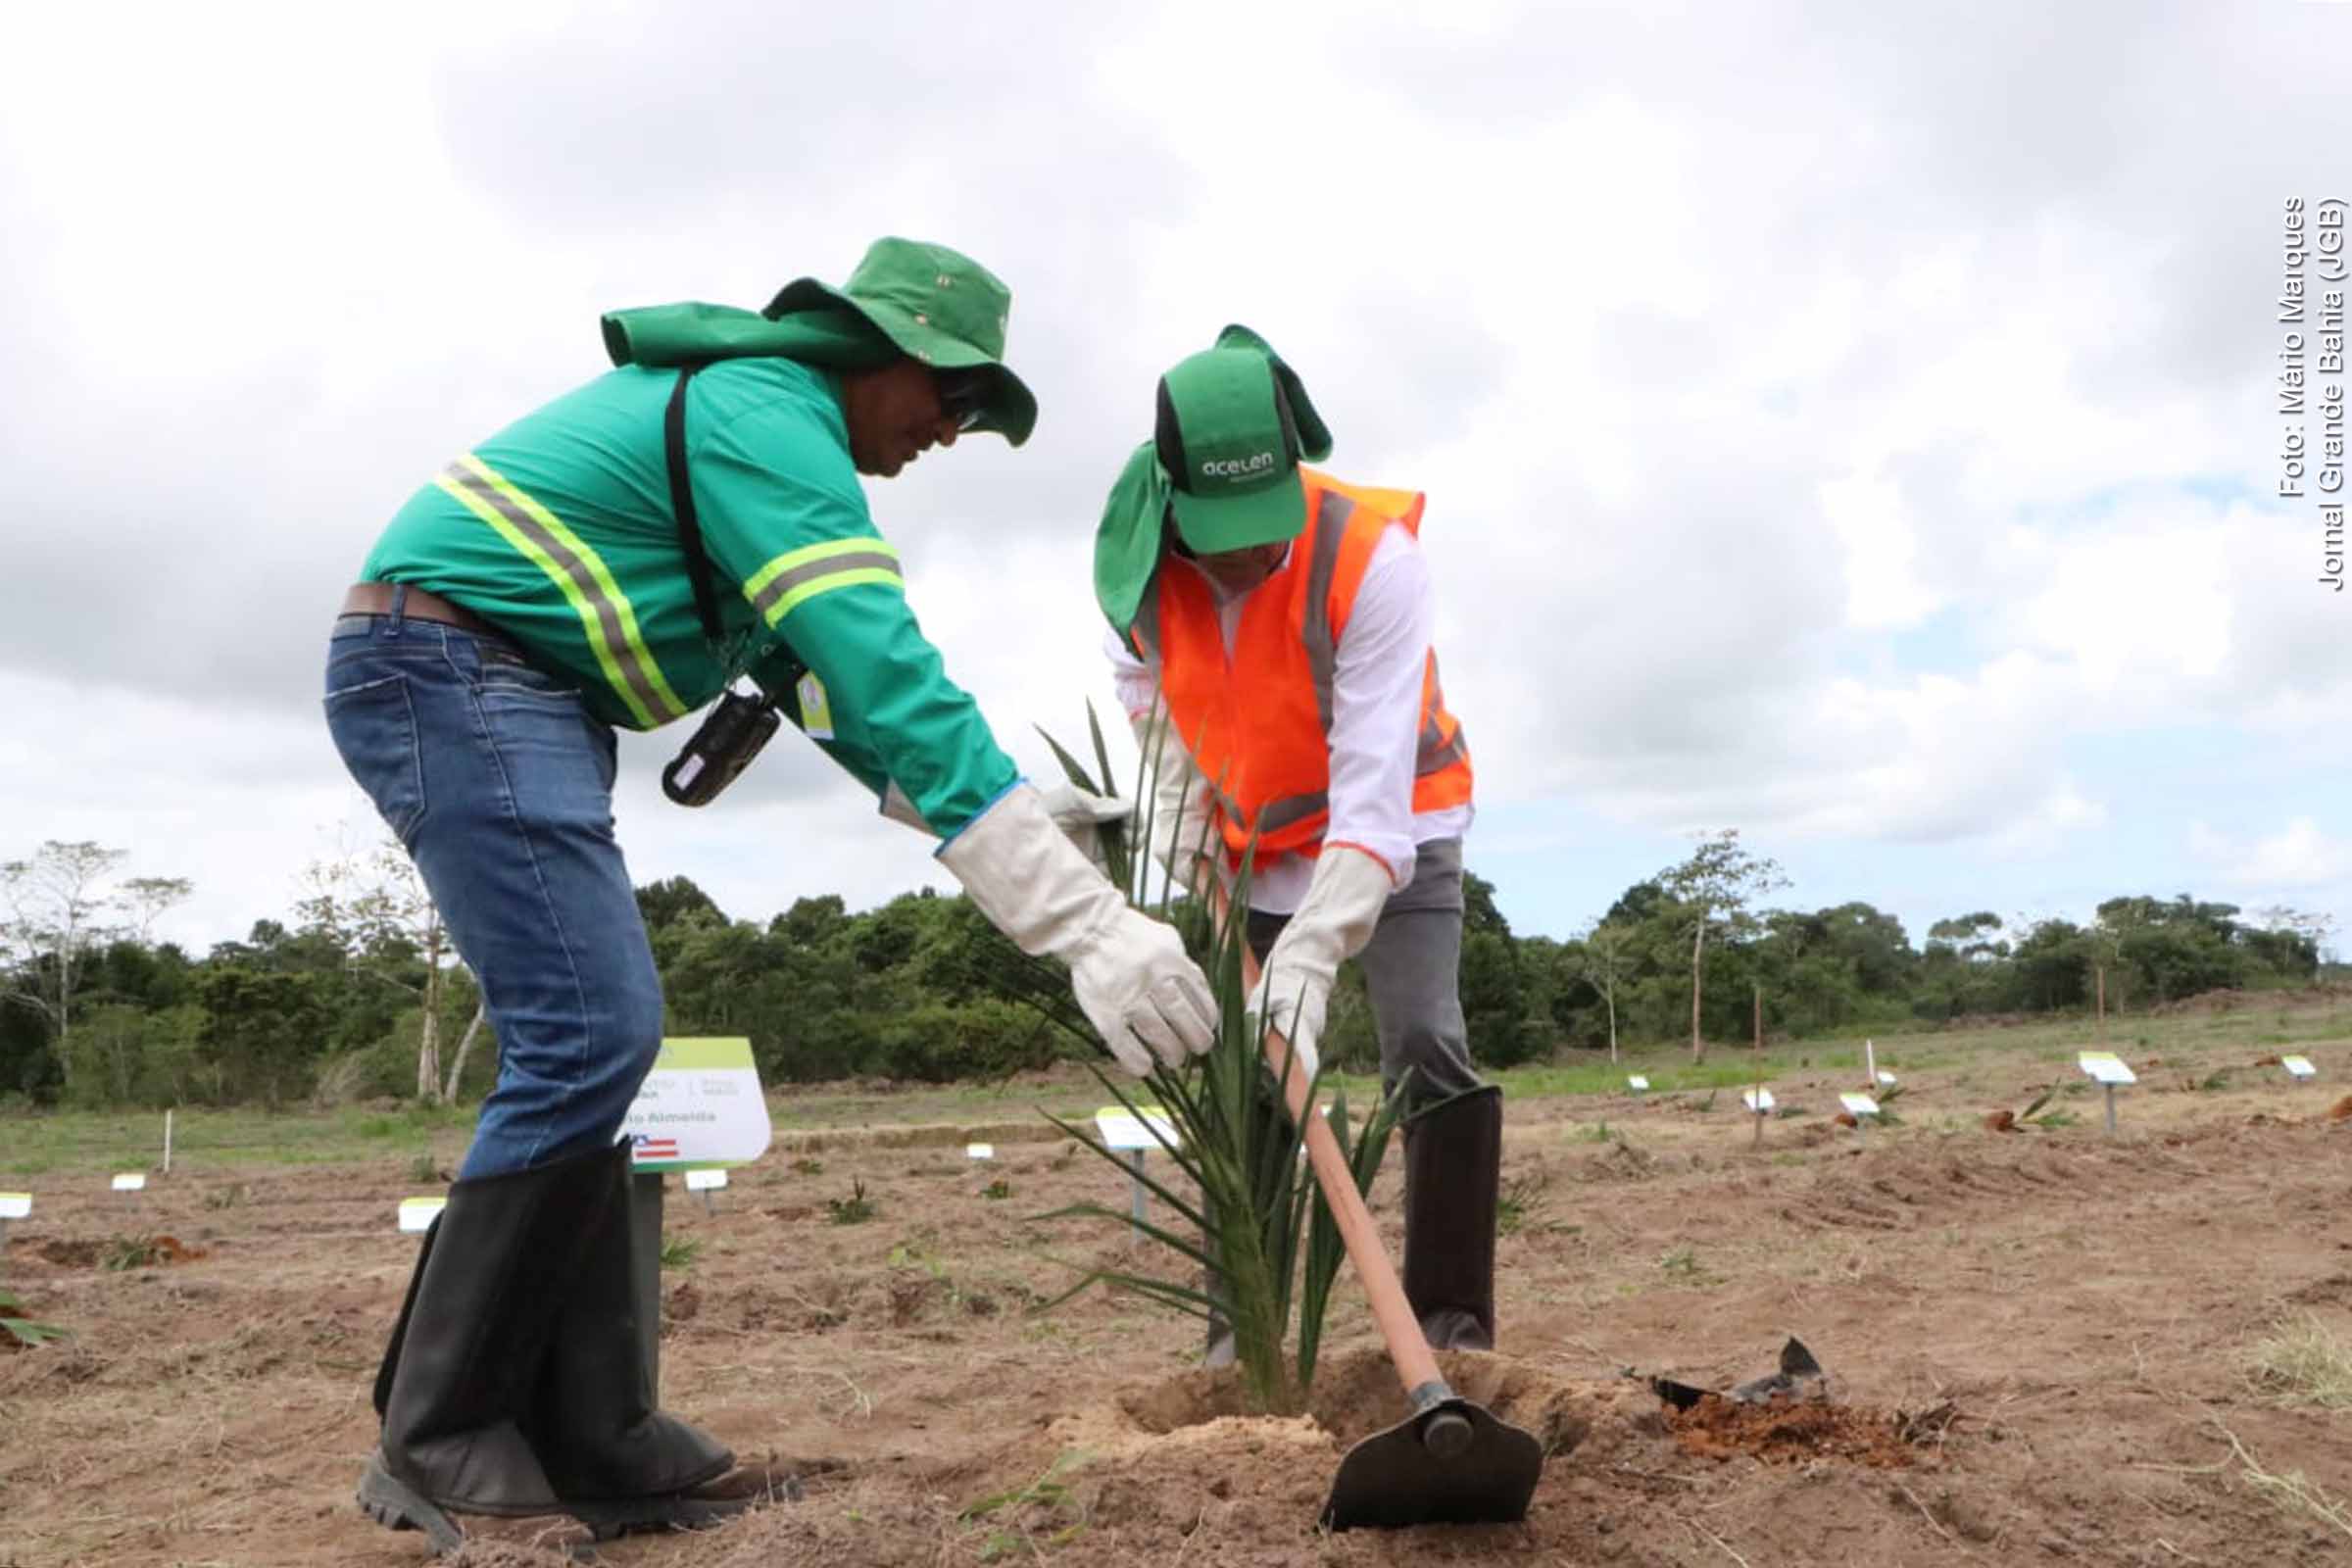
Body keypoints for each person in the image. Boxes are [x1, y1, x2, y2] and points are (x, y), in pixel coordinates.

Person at [326, 237, 1215, 1551]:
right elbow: (879, 657)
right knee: (590, 1032)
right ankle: (442, 1435)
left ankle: (594, 1434)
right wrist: (1078, 923)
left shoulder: (760, 434)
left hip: (512, 687)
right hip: (449, 665)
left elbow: (839, 702)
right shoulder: (767, 416)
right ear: (879, 352)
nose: (952, 432)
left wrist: (1026, 816)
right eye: (952, 395)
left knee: (598, 1041)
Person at [1094, 325, 1501, 1357]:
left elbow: (1371, 798)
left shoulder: (1373, 558)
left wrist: (1313, 955)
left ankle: (1452, 1329)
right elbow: (1142, 683)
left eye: (1265, 524)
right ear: (1174, 498)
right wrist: (1179, 811)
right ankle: (1244, 1343)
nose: (1251, 553)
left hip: (1399, 821)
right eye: (1223, 532)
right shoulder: (1132, 562)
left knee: (1424, 1040)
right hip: (1251, 845)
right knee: (1256, 1071)